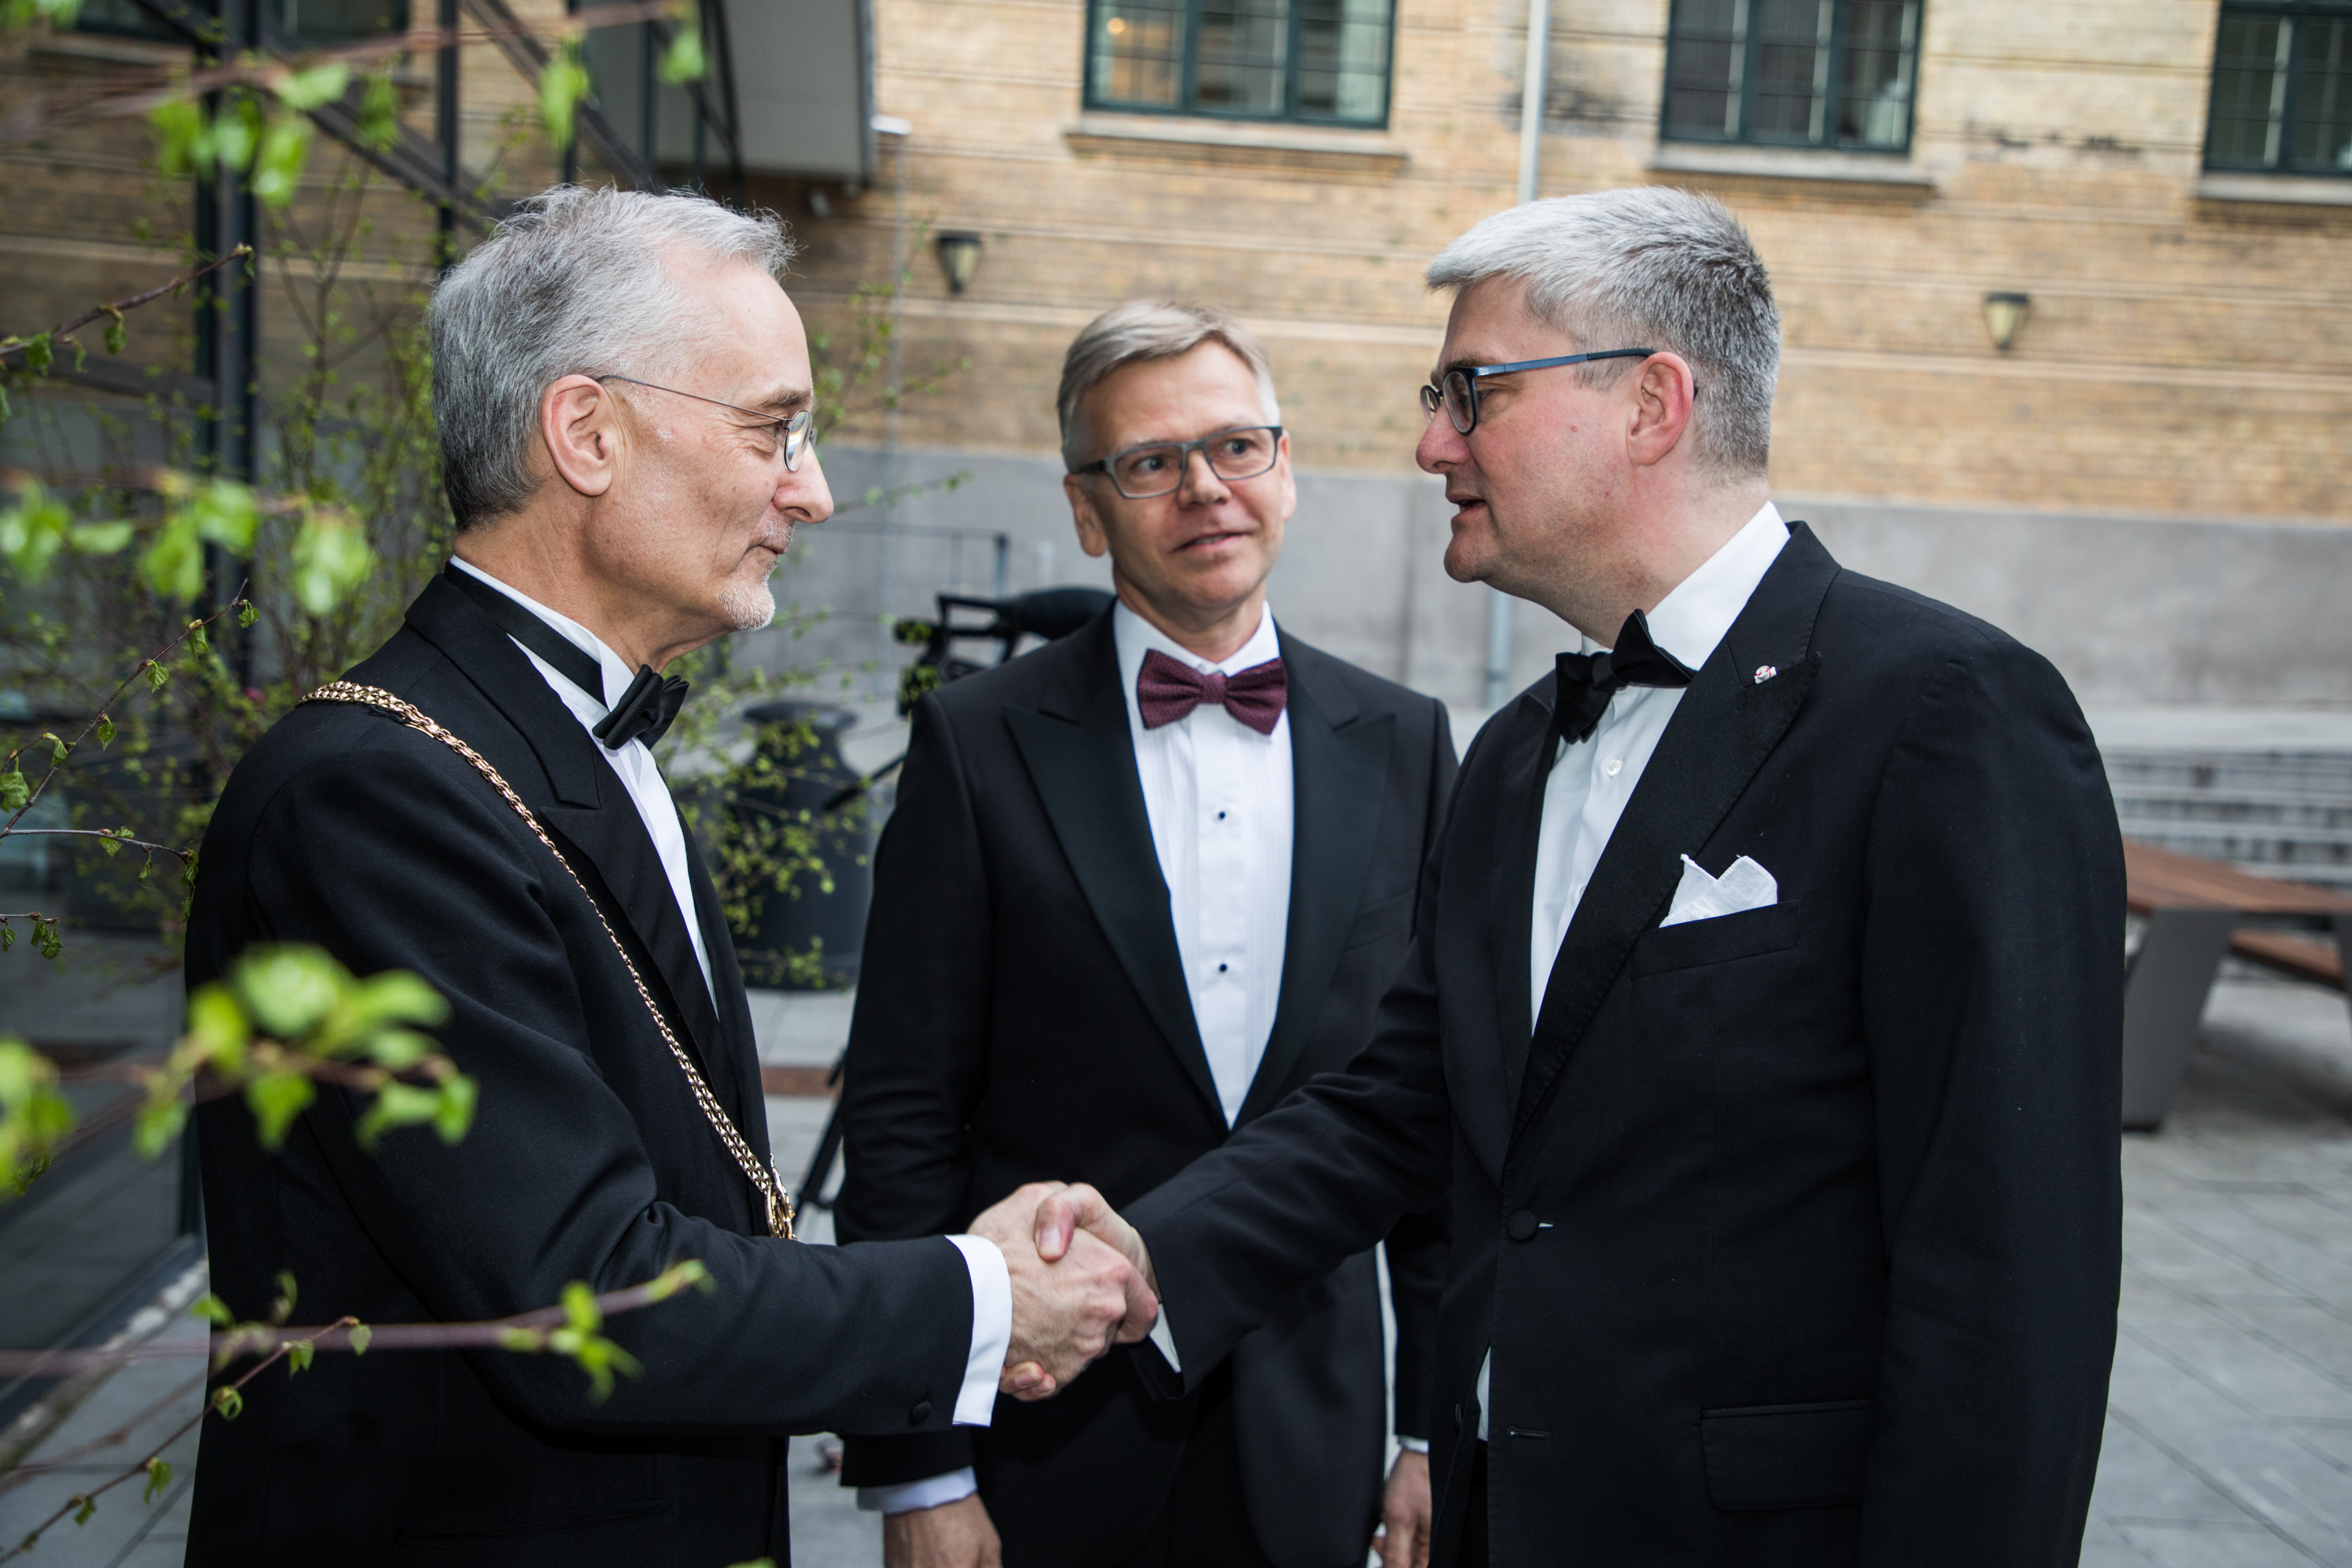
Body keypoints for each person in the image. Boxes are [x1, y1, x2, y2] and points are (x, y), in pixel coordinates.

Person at [1052, 188, 2126, 1564]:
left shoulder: (1946, 714)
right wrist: (1135, 1258)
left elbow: (2009, 1275)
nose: (1431, 442)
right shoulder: (1513, 754)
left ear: (1650, 404)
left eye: (1472, 391)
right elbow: (1404, 1104)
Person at [181, 186, 1151, 1567]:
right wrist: (980, 1298)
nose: (812, 491)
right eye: (774, 430)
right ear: (587, 433)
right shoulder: (374, 794)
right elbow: (587, 1293)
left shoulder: (550, 740)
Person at [832, 300, 1454, 1568]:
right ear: (1086, 508)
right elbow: (903, 1114)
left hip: (1313, 1435)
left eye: (1236, 447)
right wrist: (917, 1474)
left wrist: (1432, 1428)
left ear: (1286, 469)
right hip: (1046, 1437)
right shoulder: (976, 744)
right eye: (1151, 462)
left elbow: (1439, 1114)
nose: (1205, 489)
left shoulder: (1406, 740)